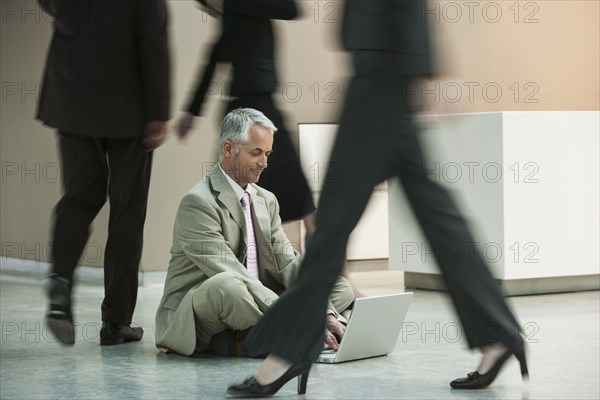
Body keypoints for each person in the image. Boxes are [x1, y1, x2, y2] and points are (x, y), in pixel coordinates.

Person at [227, 0, 528, 396]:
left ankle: (287, 352)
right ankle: (499, 334)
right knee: (435, 218)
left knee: (333, 229)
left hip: (378, 86)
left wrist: (424, 71)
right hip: (380, 79)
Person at [155, 108, 354, 357]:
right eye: (256, 153)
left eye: (268, 153)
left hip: (253, 299)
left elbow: (287, 262)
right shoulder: (197, 202)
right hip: (209, 304)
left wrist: (322, 310)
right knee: (228, 286)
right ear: (228, 149)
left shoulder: (266, 199)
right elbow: (233, 273)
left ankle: (240, 341)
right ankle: (289, 333)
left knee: (337, 287)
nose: (265, 163)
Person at [36, 0, 171, 346]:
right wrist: (158, 112)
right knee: (127, 209)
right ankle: (116, 322)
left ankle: (60, 280)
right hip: (128, 106)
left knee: (79, 196)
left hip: (71, 94)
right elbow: (153, 40)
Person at [174, 0, 318, 244]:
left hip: (259, 110)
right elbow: (214, 57)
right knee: (238, 199)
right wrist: (191, 112)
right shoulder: (233, 15)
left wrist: (191, 112)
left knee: (292, 196)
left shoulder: (241, 7)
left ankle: (336, 273)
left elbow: (291, 9)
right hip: (246, 111)